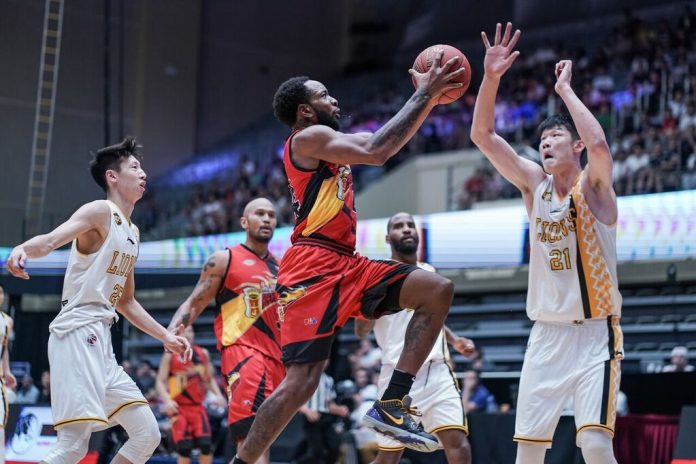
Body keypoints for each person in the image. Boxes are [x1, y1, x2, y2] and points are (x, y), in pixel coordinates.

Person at [230, 51, 466, 464]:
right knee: (302, 383)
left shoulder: (331, 143)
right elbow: (377, 150)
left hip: (346, 262)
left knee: (436, 290)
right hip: (311, 266)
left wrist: (427, 100)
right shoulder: (305, 139)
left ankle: (392, 403)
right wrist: (425, 94)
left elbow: (382, 144)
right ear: (305, 110)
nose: (335, 100)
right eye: (325, 95)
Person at [471, 23, 623, 464]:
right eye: (540, 141)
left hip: (597, 331)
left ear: (573, 146)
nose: (544, 145)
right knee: (529, 454)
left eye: (553, 138)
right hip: (546, 336)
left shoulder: (593, 188)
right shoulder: (534, 185)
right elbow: (482, 137)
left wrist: (565, 91)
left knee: (595, 444)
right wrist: (492, 77)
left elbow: (598, 142)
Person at [5, 136, 191, 464]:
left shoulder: (132, 233)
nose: (144, 173)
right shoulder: (100, 212)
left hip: (102, 340)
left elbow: (127, 301)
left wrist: (166, 336)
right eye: (135, 167)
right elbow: (50, 241)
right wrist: (23, 250)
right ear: (113, 177)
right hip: (76, 332)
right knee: (72, 447)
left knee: (148, 434)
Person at [167, 198, 282, 464]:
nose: (266, 219)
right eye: (259, 214)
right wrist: (172, 330)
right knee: (250, 434)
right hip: (243, 353)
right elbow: (195, 301)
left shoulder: (282, 267)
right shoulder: (224, 259)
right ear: (244, 222)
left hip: (276, 360)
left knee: (264, 439)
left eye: (271, 215)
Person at [355, 212, 474, 464]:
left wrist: (454, 341)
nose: (407, 229)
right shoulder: (379, 277)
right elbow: (360, 331)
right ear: (388, 238)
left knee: (458, 445)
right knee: (388, 458)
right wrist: (369, 305)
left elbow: (431, 320)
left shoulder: (428, 272)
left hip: (438, 370)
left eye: (410, 225)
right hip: (396, 374)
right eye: (399, 226)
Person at [156, 325, 226, 464]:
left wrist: (219, 395)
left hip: (198, 407)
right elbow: (160, 381)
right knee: (184, 448)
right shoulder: (170, 354)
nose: (187, 334)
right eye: (184, 331)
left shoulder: (202, 353)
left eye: (190, 331)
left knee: (206, 446)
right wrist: (167, 400)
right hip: (179, 408)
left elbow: (209, 379)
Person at [295, 364, 350, 464]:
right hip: (310, 418)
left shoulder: (328, 380)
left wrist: (339, 409)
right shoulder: (305, 377)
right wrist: (307, 411)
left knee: (335, 446)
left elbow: (329, 404)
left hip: (325, 417)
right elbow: (294, 400)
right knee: (317, 452)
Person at [0, 283, 17, 463]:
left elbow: (4, 349)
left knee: (0, 426)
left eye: (1, 292)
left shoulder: (7, 321)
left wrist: (7, 371)